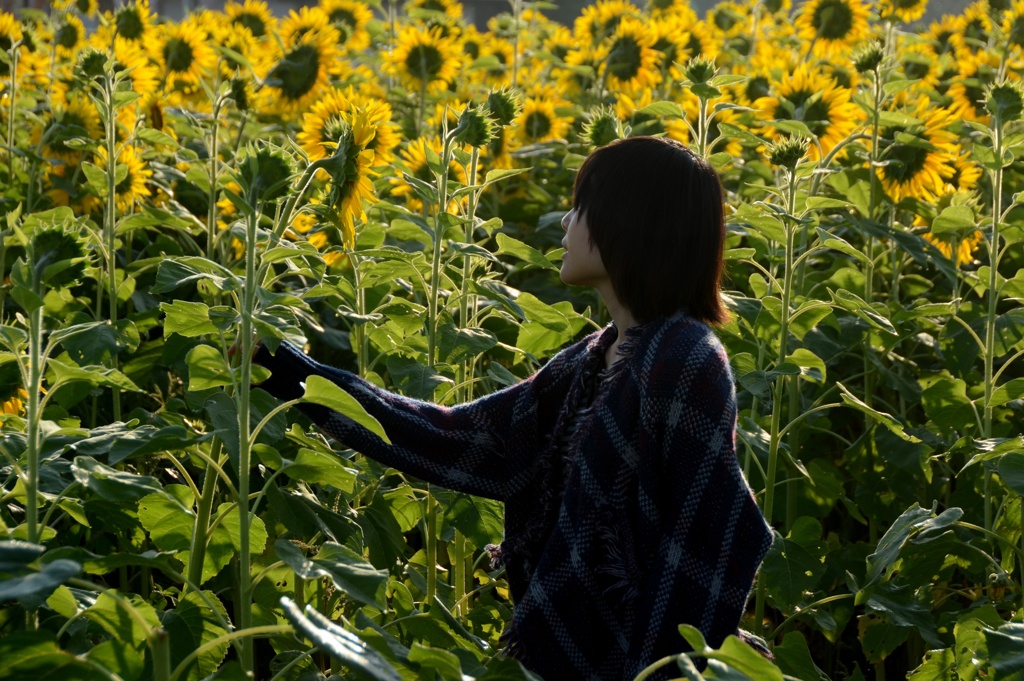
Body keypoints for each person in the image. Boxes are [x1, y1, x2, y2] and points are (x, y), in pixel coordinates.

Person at [252, 136, 773, 680]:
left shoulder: (685, 359)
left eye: (581, 207)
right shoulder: (592, 362)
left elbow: (707, 537)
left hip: (643, 664)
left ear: (627, 221)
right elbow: (454, 437)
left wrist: (662, 669)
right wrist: (287, 371)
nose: (566, 224)